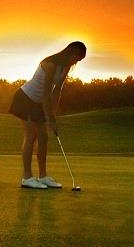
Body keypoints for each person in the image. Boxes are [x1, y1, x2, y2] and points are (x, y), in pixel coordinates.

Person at [8, 41, 87, 189]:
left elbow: (57, 91)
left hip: (38, 102)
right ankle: (27, 178)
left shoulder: (66, 67)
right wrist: (49, 118)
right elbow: (46, 94)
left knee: (43, 137)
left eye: (79, 60)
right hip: (25, 99)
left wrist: (53, 116)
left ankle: (43, 176)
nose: (76, 62)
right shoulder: (49, 64)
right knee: (31, 136)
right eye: (76, 58)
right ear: (70, 53)